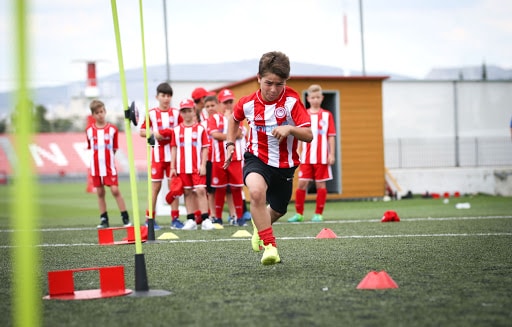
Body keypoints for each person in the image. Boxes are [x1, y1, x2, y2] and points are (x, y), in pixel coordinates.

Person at [224, 51, 313, 265]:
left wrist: (290, 128)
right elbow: (234, 120)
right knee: (255, 193)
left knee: (279, 209)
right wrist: (229, 144)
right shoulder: (247, 103)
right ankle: (270, 246)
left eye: (279, 84)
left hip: (285, 166)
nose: (273, 89)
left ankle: (260, 227)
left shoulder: (292, 101)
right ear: (258, 78)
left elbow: (308, 135)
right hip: (256, 158)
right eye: (268, 83)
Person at [288, 84, 336, 223]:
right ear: (308, 98)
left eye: (318, 97)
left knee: (321, 185)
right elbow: (299, 135)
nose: (315, 100)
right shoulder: (305, 114)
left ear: (322, 98)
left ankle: (318, 214)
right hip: (307, 157)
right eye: (312, 97)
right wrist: (297, 152)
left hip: (322, 157)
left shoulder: (327, 115)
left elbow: (331, 136)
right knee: (302, 184)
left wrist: (331, 154)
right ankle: (299, 214)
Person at [139, 82, 184, 230]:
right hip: (157, 155)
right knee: (155, 187)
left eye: (168, 95)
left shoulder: (177, 113)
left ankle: (175, 218)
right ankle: (150, 219)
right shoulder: (151, 113)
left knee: (174, 187)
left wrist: (169, 133)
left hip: (173, 155)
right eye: (163, 95)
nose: (166, 98)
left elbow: (181, 130)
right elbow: (142, 131)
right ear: (157, 97)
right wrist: (154, 134)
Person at [86, 99, 131, 229]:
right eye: (97, 113)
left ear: (105, 112)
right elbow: (91, 147)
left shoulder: (112, 129)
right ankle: (104, 218)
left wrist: (108, 157)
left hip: (109, 166)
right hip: (95, 167)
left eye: (102, 111)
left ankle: (125, 217)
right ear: (93, 115)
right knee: (100, 192)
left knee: (115, 190)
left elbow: (115, 147)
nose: (100, 114)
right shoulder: (89, 130)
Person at [171, 99, 213, 231]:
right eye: (184, 111)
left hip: (197, 166)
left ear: (193, 111)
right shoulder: (176, 130)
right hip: (182, 167)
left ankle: (206, 218)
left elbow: (205, 148)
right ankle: (191, 219)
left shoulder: (200, 128)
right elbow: (174, 148)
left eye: (189, 110)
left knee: (201, 190)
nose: (187, 114)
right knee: (187, 192)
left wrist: (203, 164)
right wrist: (173, 166)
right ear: (180, 113)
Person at [207, 89, 246, 226]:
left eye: (230, 102)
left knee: (236, 188)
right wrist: (231, 135)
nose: (228, 105)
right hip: (218, 158)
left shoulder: (236, 116)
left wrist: (227, 132)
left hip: (235, 157)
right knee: (220, 188)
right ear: (219, 103)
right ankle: (218, 218)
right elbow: (215, 135)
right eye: (225, 102)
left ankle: (239, 218)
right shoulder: (214, 118)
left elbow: (240, 133)